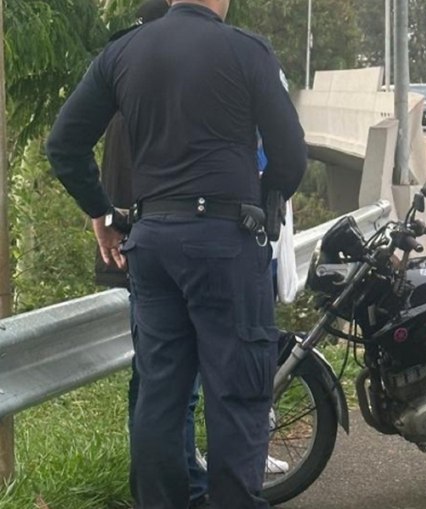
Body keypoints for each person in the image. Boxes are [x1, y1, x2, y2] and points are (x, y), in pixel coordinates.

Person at [46, 0, 307, 506]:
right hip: (226, 243)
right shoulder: (246, 51)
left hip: (153, 240)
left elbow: (64, 144)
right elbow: (291, 154)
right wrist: (262, 201)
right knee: (237, 392)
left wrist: (106, 214)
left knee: (160, 396)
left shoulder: (123, 51)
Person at [95, 2, 211, 506]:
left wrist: (106, 224)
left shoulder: (120, 80)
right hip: (153, 244)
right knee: (172, 386)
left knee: (154, 380)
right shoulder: (153, 91)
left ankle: (165, 482)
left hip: (129, 244)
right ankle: (180, 486)